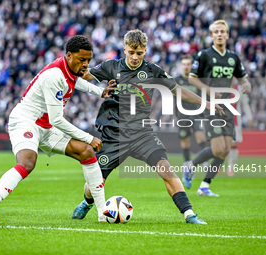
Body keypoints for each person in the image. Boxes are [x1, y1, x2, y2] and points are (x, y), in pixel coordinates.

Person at [72, 29, 224, 224]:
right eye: (132, 52)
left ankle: (189, 214)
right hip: (114, 135)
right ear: (125, 49)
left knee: (166, 168)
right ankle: (87, 202)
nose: (135, 57)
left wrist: (207, 103)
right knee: (95, 182)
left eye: (140, 53)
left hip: (142, 134)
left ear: (145, 51)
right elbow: (82, 78)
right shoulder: (111, 66)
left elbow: (178, 90)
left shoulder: (153, 71)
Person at [0, 35, 115, 224]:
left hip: (45, 126)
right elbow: (57, 120)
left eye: (88, 60)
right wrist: (88, 137)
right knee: (28, 162)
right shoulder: (55, 76)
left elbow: (75, 82)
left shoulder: (68, 69)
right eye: (82, 60)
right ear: (69, 55)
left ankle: (103, 213)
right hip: (26, 121)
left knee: (85, 152)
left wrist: (99, 91)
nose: (86, 64)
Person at [183, 20, 251, 196]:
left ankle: (205, 185)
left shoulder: (233, 57)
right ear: (211, 35)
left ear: (227, 35)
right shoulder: (204, 55)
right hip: (211, 106)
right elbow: (192, 78)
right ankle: (190, 165)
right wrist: (209, 90)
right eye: (216, 32)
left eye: (223, 31)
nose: (220, 34)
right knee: (218, 147)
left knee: (226, 149)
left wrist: (246, 83)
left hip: (228, 107)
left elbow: (242, 77)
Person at [175, 55, 208, 166]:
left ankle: (205, 161)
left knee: (201, 137)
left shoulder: (196, 81)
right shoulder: (176, 81)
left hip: (196, 113)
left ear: (191, 66)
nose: (186, 67)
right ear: (181, 66)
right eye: (184, 64)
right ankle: (187, 165)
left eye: (188, 64)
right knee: (185, 141)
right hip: (182, 115)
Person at [227, 80, 253, 177]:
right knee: (222, 144)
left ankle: (230, 167)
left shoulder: (239, 88)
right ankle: (217, 164)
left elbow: (245, 104)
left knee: (234, 144)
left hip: (235, 120)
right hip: (221, 119)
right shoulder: (220, 86)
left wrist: (249, 117)